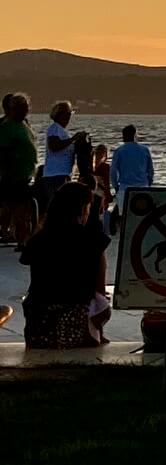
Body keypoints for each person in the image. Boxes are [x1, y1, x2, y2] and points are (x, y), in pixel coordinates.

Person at [18, 181, 109, 348]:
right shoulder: (93, 240)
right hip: (75, 323)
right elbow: (99, 288)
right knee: (102, 303)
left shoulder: (38, 240)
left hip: (39, 326)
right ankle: (96, 335)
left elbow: (36, 282)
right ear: (82, 208)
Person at [1, 91, 37, 246]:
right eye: (21, 108)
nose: (25, 110)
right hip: (13, 176)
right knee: (18, 210)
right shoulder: (7, 126)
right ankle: (22, 240)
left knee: (23, 209)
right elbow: (2, 152)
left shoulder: (24, 123)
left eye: (26, 107)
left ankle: (20, 237)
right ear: (12, 108)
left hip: (26, 175)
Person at [107, 123, 153, 232]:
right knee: (142, 215)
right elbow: (150, 170)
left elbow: (113, 171)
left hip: (125, 188)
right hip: (143, 187)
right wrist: (149, 184)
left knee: (124, 216)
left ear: (123, 136)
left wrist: (115, 186)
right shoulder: (144, 150)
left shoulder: (119, 151)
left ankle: (125, 234)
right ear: (135, 135)